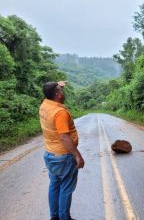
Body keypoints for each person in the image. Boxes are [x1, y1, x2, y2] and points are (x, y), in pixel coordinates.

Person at [39, 81, 84, 220]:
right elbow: (64, 137)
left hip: (50, 155)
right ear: (57, 95)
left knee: (54, 186)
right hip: (64, 157)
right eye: (60, 90)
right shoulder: (60, 113)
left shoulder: (44, 105)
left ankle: (55, 217)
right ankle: (64, 217)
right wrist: (77, 155)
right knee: (66, 188)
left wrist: (58, 84)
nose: (63, 92)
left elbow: (50, 90)